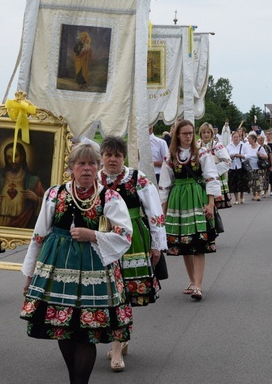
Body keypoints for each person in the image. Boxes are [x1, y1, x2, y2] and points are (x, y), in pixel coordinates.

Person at [21, 143, 133, 384]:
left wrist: (93, 235)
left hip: (96, 270)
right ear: (71, 167)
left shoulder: (110, 197)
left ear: (98, 167)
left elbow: (125, 234)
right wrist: (30, 275)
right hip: (58, 269)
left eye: (92, 163)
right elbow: (39, 234)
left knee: (86, 333)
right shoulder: (54, 194)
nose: (87, 168)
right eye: (81, 163)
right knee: (63, 327)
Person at [99, 136, 166, 372]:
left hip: (132, 239)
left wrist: (157, 244)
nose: (113, 159)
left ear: (124, 157)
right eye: (108, 155)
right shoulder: (95, 179)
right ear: (102, 157)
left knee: (123, 293)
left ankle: (116, 347)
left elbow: (155, 212)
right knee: (106, 292)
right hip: (101, 239)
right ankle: (120, 338)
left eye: (117, 155)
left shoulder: (138, 179)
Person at [158, 119, 220, 301]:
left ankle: (199, 286)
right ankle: (192, 281)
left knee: (199, 242)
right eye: (184, 133)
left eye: (190, 133)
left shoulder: (201, 153)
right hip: (178, 201)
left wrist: (210, 204)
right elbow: (164, 185)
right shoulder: (171, 156)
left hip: (197, 198)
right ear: (177, 135)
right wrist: (163, 211)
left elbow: (211, 177)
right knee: (185, 244)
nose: (188, 136)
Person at [0, 142, 45, 230]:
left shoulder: (33, 181)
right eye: (8, 157)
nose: (12, 161)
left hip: (22, 226)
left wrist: (37, 199)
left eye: (15, 156)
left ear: (22, 157)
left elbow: (49, 204)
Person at [226, 131, 248, 205]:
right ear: (232, 138)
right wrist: (230, 157)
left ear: (240, 138)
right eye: (234, 137)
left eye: (237, 137)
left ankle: (242, 196)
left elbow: (247, 155)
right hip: (232, 166)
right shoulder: (229, 146)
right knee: (233, 183)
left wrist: (240, 155)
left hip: (240, 166)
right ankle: (236, 198)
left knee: (241, 182)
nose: (235, 138)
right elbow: (225, 156)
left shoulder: (243, 146)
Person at [245, 133, 268, 201]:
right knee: (252, 182)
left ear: (254, 140)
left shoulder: (260, 147)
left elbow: (266, 156)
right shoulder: (247, 147)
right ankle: (254, 194)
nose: (248, 140)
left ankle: (258, 195)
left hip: (258, 167)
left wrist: (260, 155)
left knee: (258, 181)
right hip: (250, 167)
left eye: (249, 139)